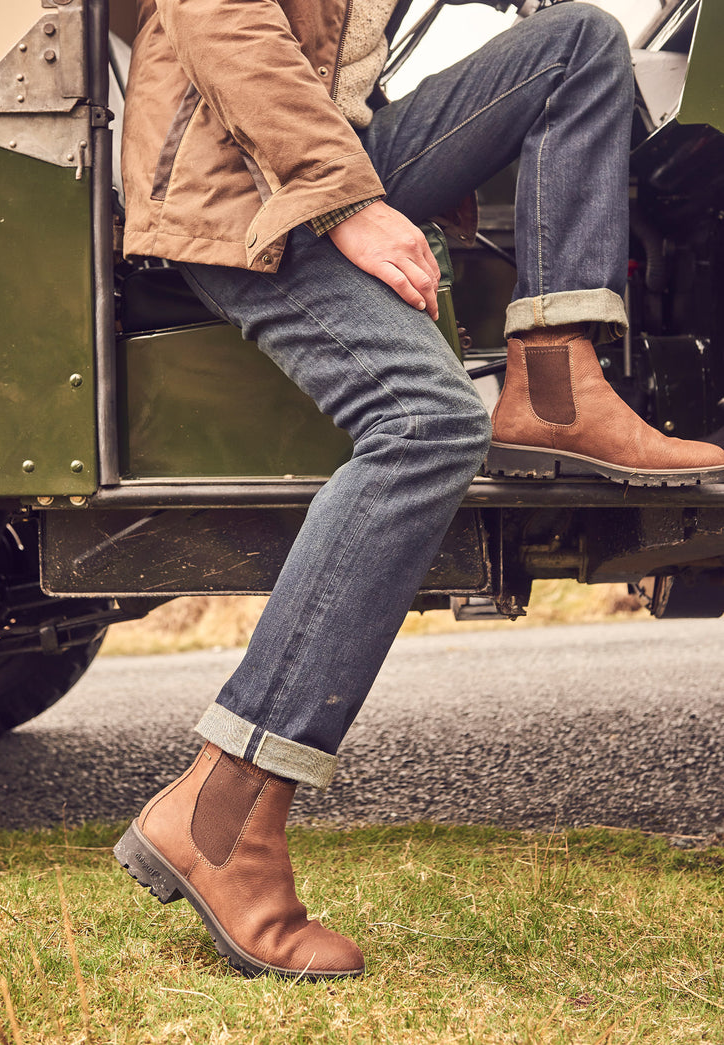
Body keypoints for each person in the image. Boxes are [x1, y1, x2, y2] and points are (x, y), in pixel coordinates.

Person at [114, 0, 724, 980]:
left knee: (577, 44)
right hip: (233, 183)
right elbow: (220, 17)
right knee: (428, 423)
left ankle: (556, 384)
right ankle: (220, 812)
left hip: (321, 145)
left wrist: (399, 157)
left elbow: (333, 58)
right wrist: (348, 202)